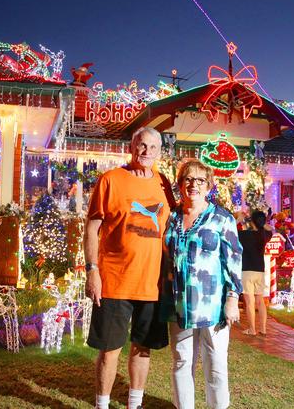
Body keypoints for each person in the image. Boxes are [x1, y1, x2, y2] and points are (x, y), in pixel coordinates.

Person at [84, 126, 174, 409]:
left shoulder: (165, 185)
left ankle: (134, 404)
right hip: (114, 280)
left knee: (143, 348)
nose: (146, 152)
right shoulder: (111, 180)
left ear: (160, 152)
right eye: (141, 145)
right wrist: (92, 270)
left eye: (152, 147)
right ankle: (102, 404)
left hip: (151, 283)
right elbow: (92, 227)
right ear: (132, 147)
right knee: (110, 351)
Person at [162, 159, 243, 409]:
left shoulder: (221, 218)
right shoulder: (173, 217)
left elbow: (234, 259)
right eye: (187, 179)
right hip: (179, 304)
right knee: (181, 362)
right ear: (180, 184)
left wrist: (232, 299)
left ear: (208, 185)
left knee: (216, 364)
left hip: (212, 306)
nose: (193, 185)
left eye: (199, 180)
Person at [238, 211, 273, 336]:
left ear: (251, 221)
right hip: (259, 270)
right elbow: (270, 229)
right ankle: (263, 329)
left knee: (249, 301)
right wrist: (261, 223)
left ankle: (252, 329)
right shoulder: (264, 235)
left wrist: (240, 219)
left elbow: (229, 231)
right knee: (260, 301)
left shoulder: (243, 235)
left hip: (246, 270)